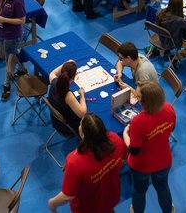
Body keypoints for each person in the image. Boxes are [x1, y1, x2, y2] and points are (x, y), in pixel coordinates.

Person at [48, 113, 126, 213]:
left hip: (88, 208)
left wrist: (52, 203)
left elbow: (67, 196)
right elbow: (124, 160)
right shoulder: (115, 140)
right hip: (111, 199)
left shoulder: (75, 162)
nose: (79, 125)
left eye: (81, 124)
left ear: (83, 134)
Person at [126, 82, 176, 213]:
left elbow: (134, 150)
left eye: (138, 96)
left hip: (141, 166)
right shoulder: (169, 108)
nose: (136, 98)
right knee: (163, 188)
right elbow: (171, 129)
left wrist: (126, 134)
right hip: (164, 160)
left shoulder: (137, 122)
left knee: (139, 191)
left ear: (143, 101)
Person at [47, 60, 87, 135]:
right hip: (67, 125)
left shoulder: (53, 80)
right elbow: (82, 113)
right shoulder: (68, 95)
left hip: (55, 119)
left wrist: (66, 64)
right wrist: (82, 95)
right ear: (73, 78)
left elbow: (52, 73)